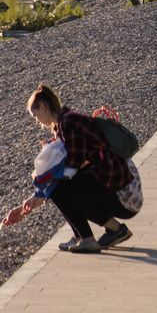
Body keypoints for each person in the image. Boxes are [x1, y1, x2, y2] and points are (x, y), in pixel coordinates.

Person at [2, 86, 135, 253]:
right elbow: (71, 168)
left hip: (111, 177)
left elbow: (74, 162)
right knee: (67, 189)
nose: (37, 121)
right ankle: (111, 231)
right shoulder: (65, 122)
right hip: (113, 175)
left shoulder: (68, 122)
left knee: (61, 190)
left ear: (43, 107)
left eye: (35, 115)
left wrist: (44, 185)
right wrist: (31, 201)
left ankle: (86, 239)